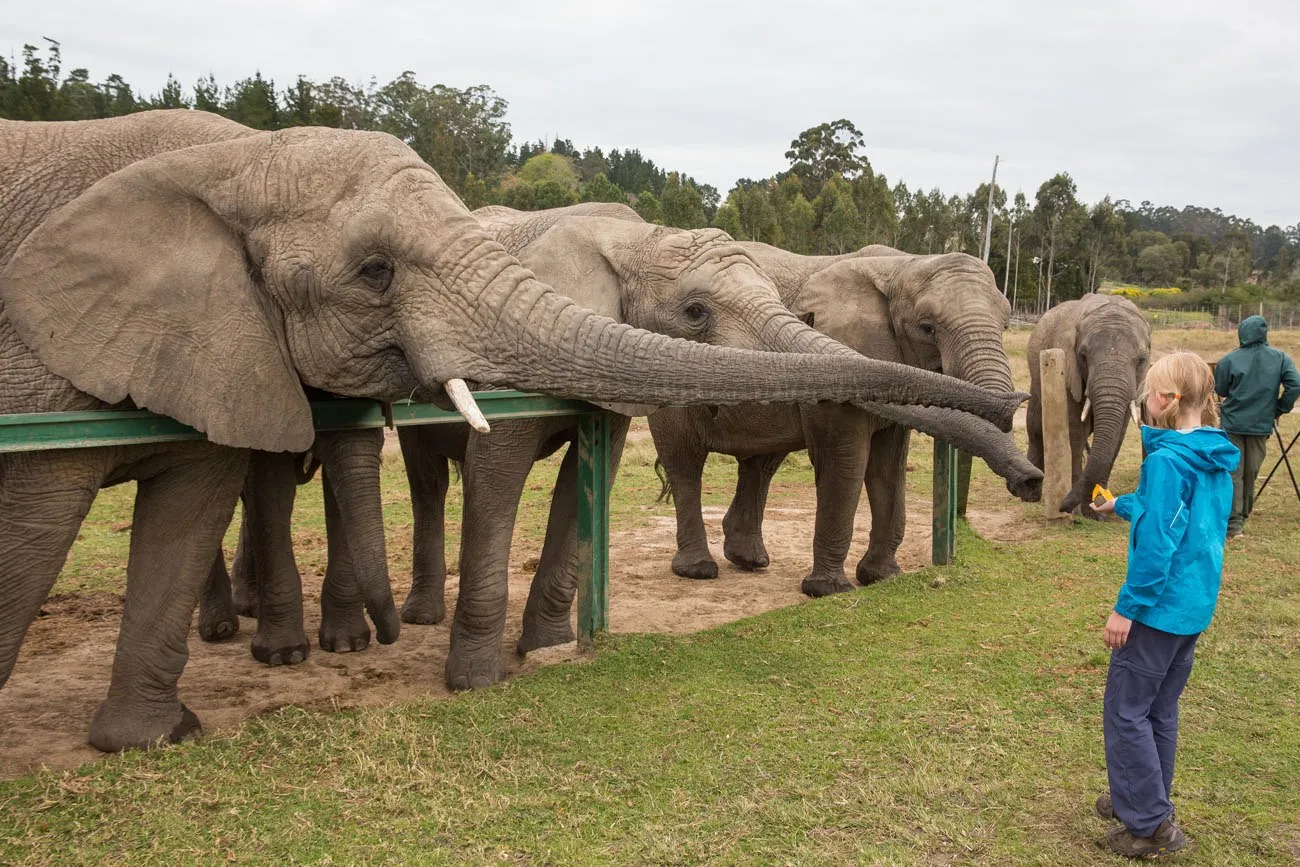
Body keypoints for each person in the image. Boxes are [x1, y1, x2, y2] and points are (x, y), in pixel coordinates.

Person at [1092, 351, 1239, 859]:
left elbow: (1158, 547)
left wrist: (1126, 608)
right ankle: (1141, 796)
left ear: (1165, 400)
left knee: (1126, 711)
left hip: (1156, 612)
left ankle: (1151, 824)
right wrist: (1123, 504)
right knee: (1158, 709)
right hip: (1192, 609)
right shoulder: (1213, 455)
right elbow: (1178, 516)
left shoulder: (1165, 460)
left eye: (1148, 391)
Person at [1213, 315, 1300, 539]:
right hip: (1261, 426)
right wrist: (1279, 409)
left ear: (1242, 333)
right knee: (1251, 473)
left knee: (1234, 473)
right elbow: (1295, 385)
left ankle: (1233, 525)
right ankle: (1241, 517)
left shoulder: (1229, 360)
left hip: (1232, 424)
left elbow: (1221, 390)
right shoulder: (1281, 358)